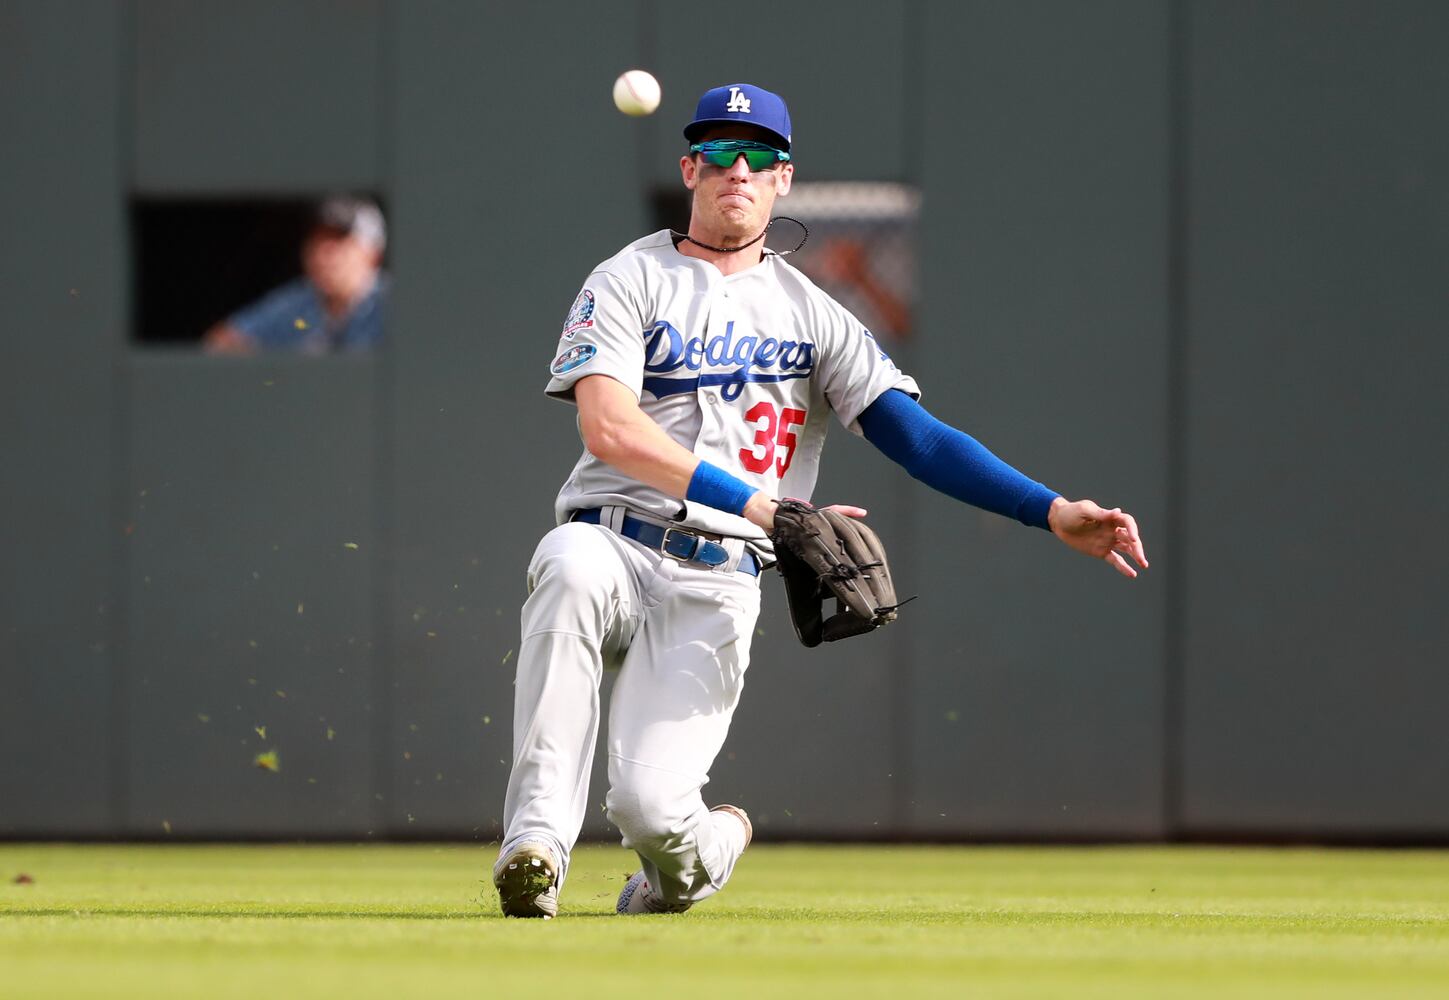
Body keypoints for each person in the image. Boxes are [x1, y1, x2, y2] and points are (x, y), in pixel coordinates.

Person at [492, 83, 1148, 919]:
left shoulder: (815, 316)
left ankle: (711, 844)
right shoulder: (628, 278)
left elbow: (917, 437)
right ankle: (535, 847)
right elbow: (610, 431)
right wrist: (763, 506)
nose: (739, 168)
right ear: (690, 168)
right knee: (568, 567)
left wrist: (1048, 509)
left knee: (653, 813)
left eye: (758, 155)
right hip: (613, 539)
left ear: (783, 180)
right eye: (721, 152)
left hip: (716, 580)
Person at [203, 196, 388, 355]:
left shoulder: (396, 303)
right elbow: (220, 343)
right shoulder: (296, 302)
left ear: (372, 255)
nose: (323, 256)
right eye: (317, 242)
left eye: (337, 245)